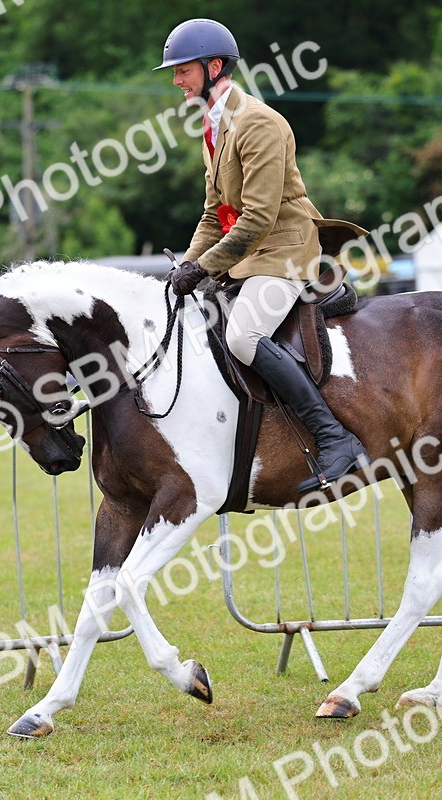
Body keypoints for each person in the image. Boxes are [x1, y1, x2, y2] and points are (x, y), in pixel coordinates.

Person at [158, 18, 366, 492]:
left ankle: (335, 438)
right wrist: (185, 266)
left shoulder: (259, 123)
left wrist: (206, 267)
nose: (176, 81)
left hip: (285, 250)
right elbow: (215, 215)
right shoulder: (213, 128)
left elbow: (256, 218)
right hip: (249, 252)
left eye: (183, 70)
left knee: (244, 337)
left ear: (214, 67)